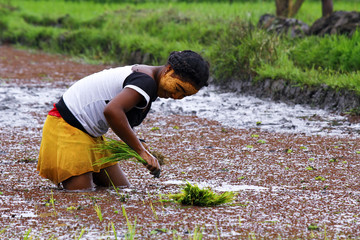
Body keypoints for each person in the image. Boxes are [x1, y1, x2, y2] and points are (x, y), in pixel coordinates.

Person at [37, 50, 210, 191]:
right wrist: (141, 151)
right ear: (168, 70)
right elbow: (112, 111)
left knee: (119, 188)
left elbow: (123, 118)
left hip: (90, 135)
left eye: (184, 95)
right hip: (67, 128)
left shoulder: (149, 82)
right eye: (178, 88)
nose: (176, 96)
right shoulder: (145, 81)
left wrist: (139, 144)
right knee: (81, 195)